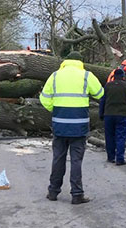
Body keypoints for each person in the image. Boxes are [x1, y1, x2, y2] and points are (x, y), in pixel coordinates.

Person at [39, 51, 104, 204]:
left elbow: (44, 98)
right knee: (76, 161)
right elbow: (101, 95)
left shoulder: (55, 75)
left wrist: (55, 109)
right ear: (80, 62)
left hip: (59, 124)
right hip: (79, 126)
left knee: (58, 159)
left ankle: (53, 192)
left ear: (65, 61)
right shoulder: (87, 75)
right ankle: (76, 194)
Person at [99, 68, 126, 166]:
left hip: (108, 115)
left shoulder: (107, 86)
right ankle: (120, 158)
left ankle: (110, 157)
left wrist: (101, 114)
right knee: (120, 137)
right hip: (121, 115)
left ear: (114, 77)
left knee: (109, 136)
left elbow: (102, 101)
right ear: (123, 77)